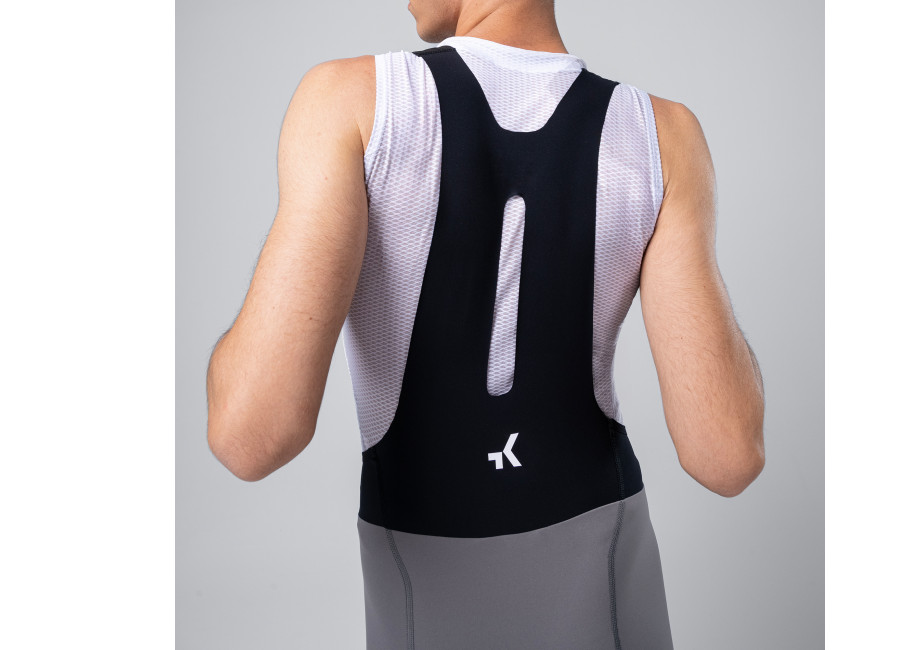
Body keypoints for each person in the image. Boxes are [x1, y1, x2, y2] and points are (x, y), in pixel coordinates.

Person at [205, 0, 766, 647]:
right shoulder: (661, 134)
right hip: (605, 587)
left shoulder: (352, 102)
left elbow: (250, 435)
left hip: (423, 595)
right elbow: (727, 456)